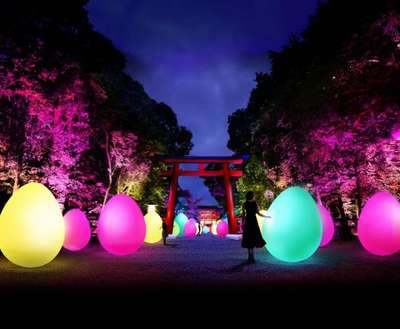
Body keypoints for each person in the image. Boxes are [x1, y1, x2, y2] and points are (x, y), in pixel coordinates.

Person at [241, 191, 268, 264]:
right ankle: (252, 258)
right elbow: (258, 213)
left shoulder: (244, 204)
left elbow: (243, 215)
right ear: (252, 196)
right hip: (253, 222)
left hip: (248, 222)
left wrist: (242, 223)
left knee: (248, 239)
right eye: (253, 195)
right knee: (252, 238)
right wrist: (266, 216)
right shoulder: (254, 203)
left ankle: (250, 257)